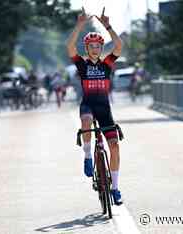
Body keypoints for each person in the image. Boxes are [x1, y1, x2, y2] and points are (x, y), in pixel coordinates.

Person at [67, 7, 123, 205]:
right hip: (88, 105)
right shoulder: (82, 65)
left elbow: (118, 46)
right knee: (86, 120)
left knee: (115, 147)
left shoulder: (106, 64)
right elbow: (70, 48)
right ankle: (88, 156)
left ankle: (115, 188)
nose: (95, 49)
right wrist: (80, 25)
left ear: (101, 48)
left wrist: (107, 26)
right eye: (91, 46)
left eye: (98, 46)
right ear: (87, 48)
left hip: (105, 109)